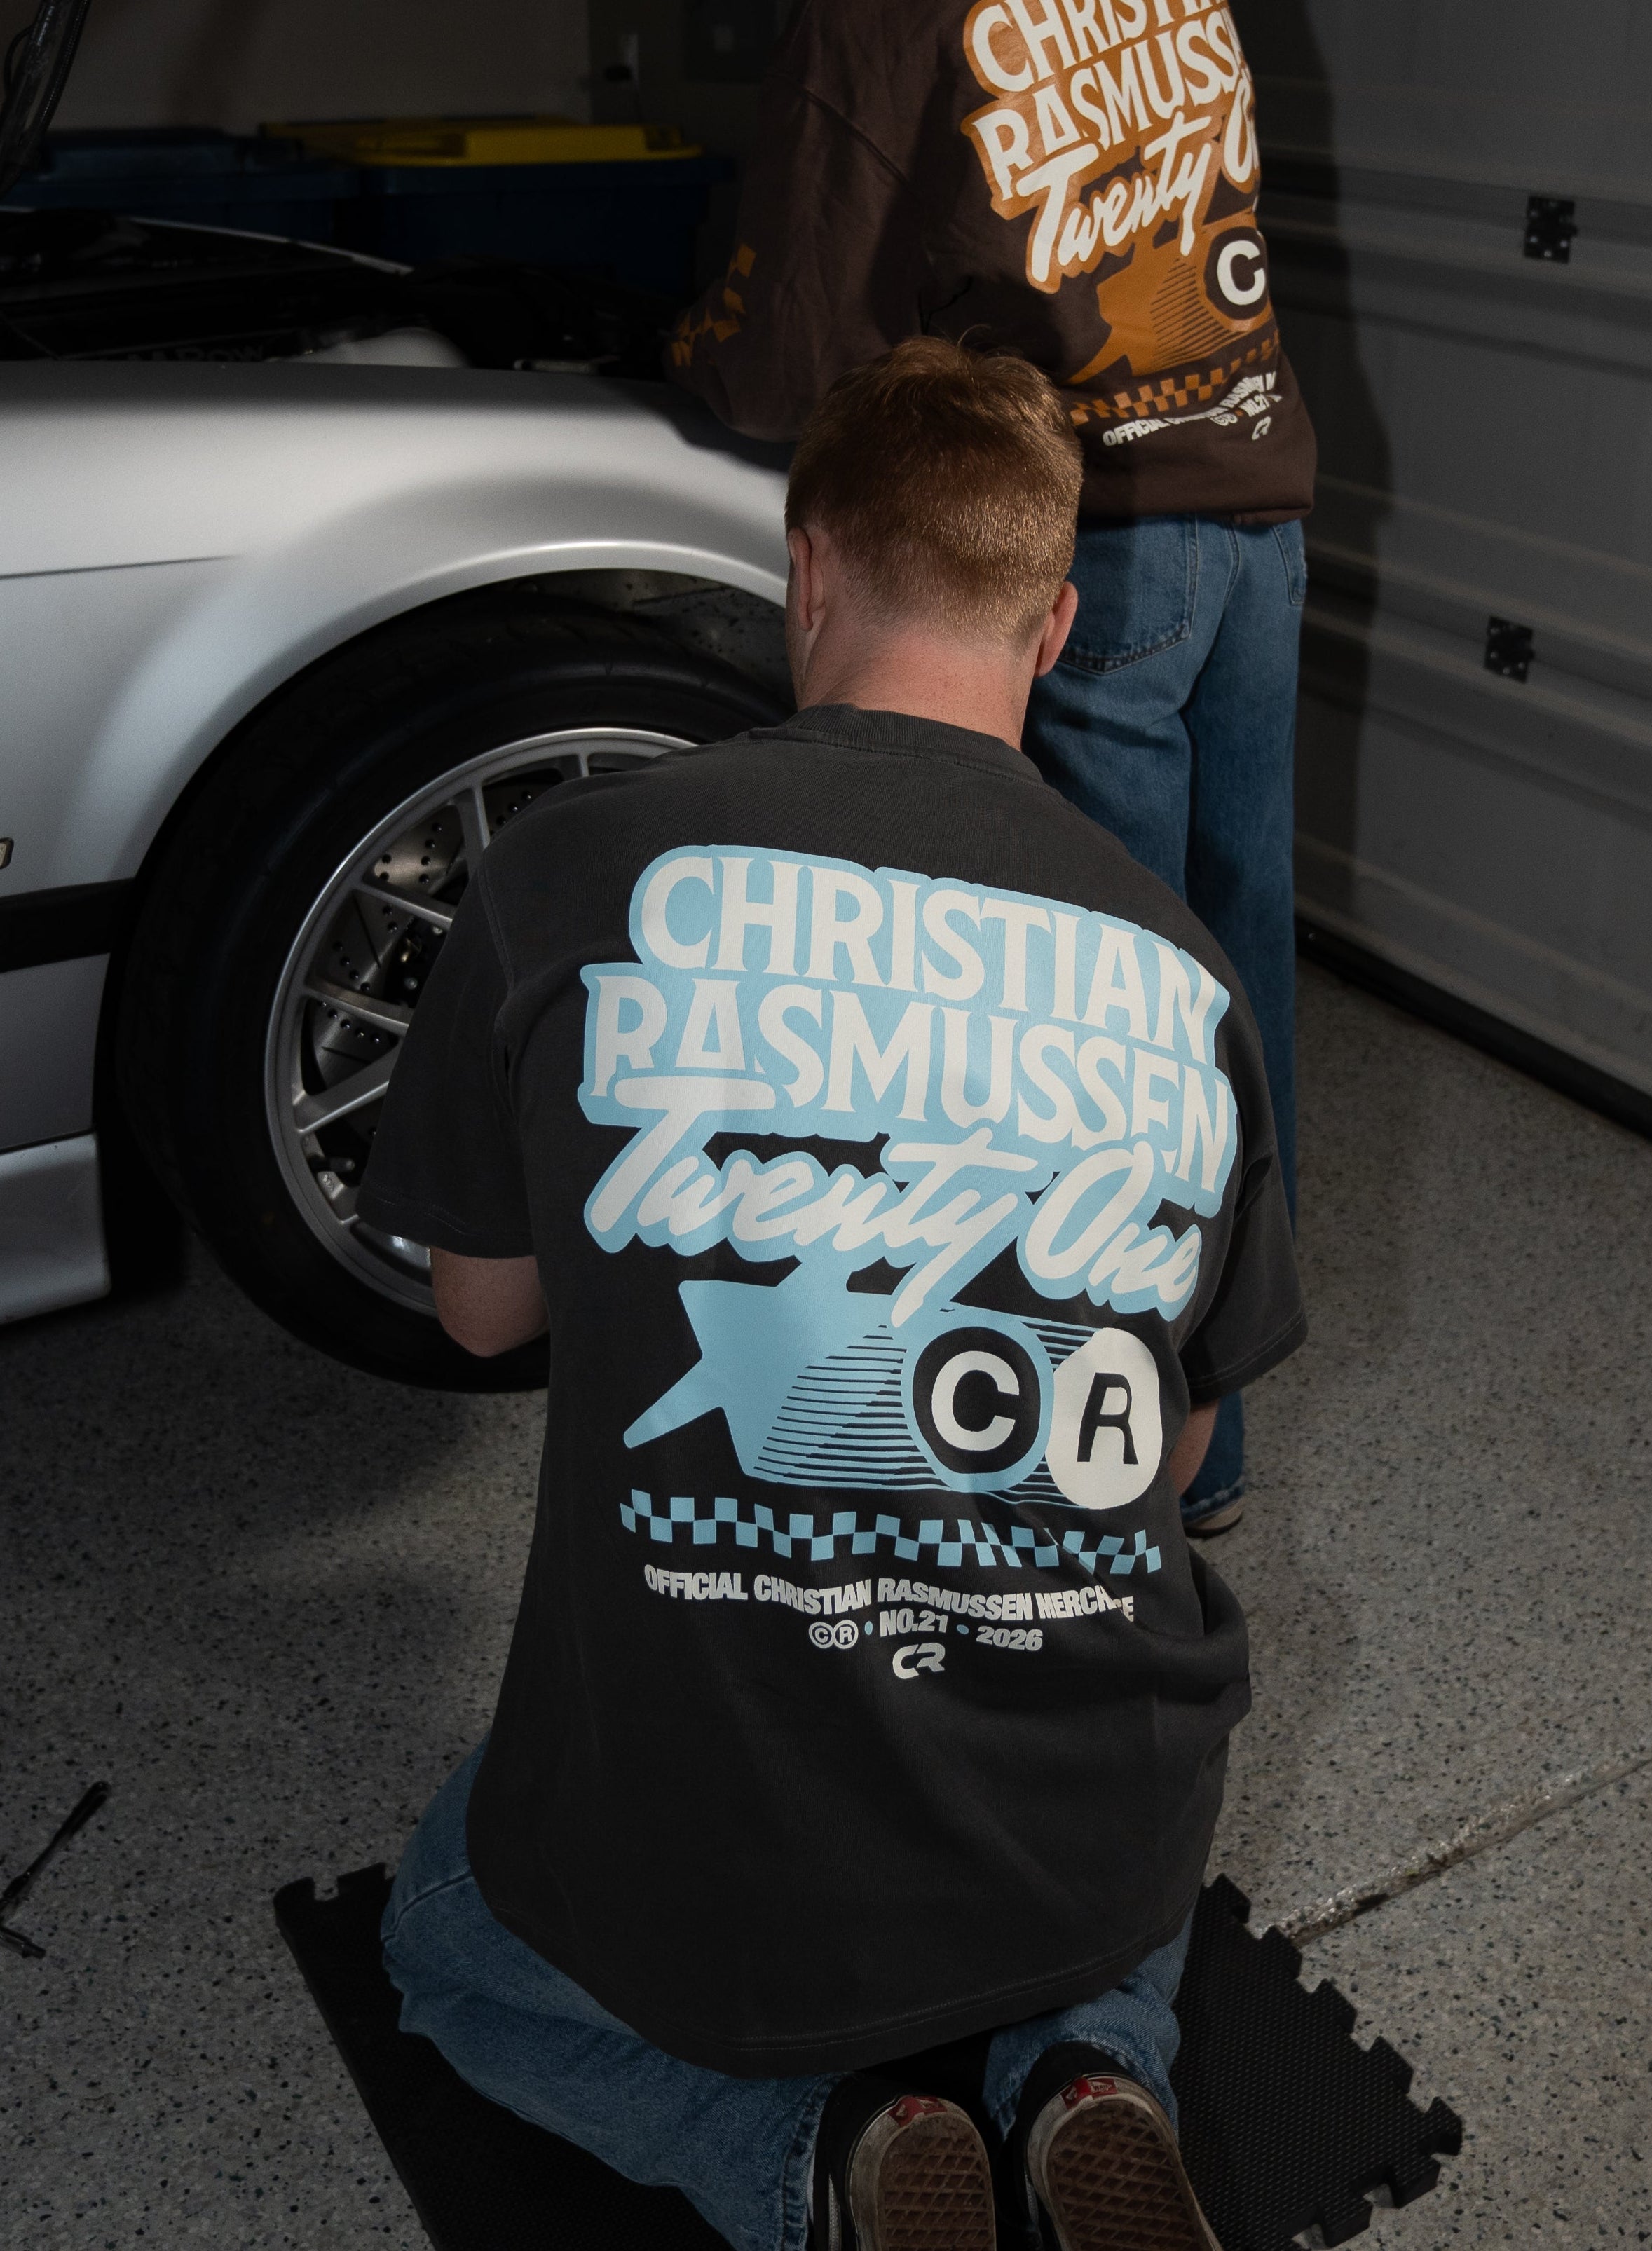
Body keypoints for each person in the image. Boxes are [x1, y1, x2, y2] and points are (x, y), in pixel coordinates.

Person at [359, 341, 1305, 2251]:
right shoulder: (1183, 971)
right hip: (1079, 1831)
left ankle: (804, 2151)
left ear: (807, 565)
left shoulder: (566, 874)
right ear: (1051, 622)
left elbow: (478, 1315)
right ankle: (1092, 2061)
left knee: (443, 1953)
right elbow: (1180, 1440)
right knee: (1089, 1796)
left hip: (722, 1858)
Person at [669, 0, 1315, 1540]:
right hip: (1255, 504)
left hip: (1095, 528)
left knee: (1081, 1018)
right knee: (1227, 991)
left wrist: (686, 355)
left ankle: (1105, 1469)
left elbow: (798, 318)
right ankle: (1206, 1450)